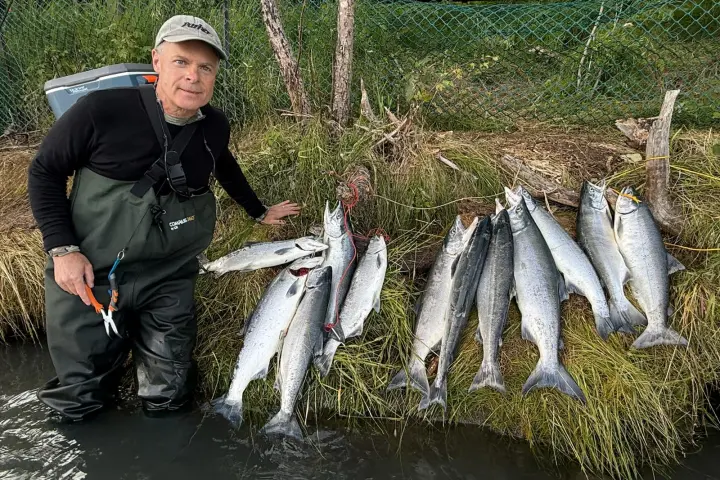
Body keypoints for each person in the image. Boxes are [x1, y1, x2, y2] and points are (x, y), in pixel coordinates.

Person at [27, 14, 300, 423]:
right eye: (181, 62)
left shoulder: (214, 126)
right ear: (156, 61)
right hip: (90, 275)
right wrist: (63, 250)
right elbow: (44, 171)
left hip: (169, 276)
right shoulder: (100, 110)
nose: (194, 76)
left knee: (170, 396)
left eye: (205, 67)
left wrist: (259, 211)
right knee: (79, 399)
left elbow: (225, 166)